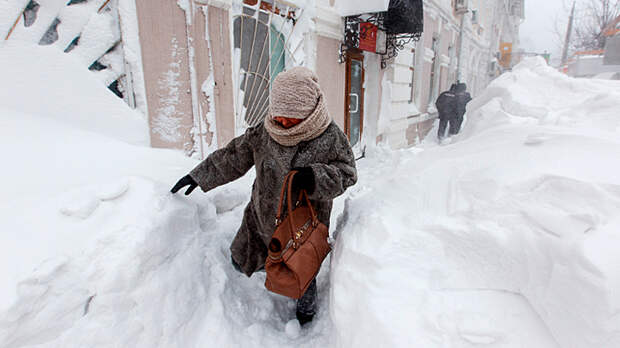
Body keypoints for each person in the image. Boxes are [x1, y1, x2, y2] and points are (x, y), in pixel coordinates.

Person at [171, 67, 357, 326]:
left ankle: (305, 307)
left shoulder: (329, 136)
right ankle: (266, 274)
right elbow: (235, 155)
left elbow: (347, 173)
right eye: (277, 116)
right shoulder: (266, 130)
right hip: (262, 216)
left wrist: (315, 178)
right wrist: (200, 175)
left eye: (289, 119)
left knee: (301, 268)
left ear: (307, 112)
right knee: (241, 261)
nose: (281, 123)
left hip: (302, 224)